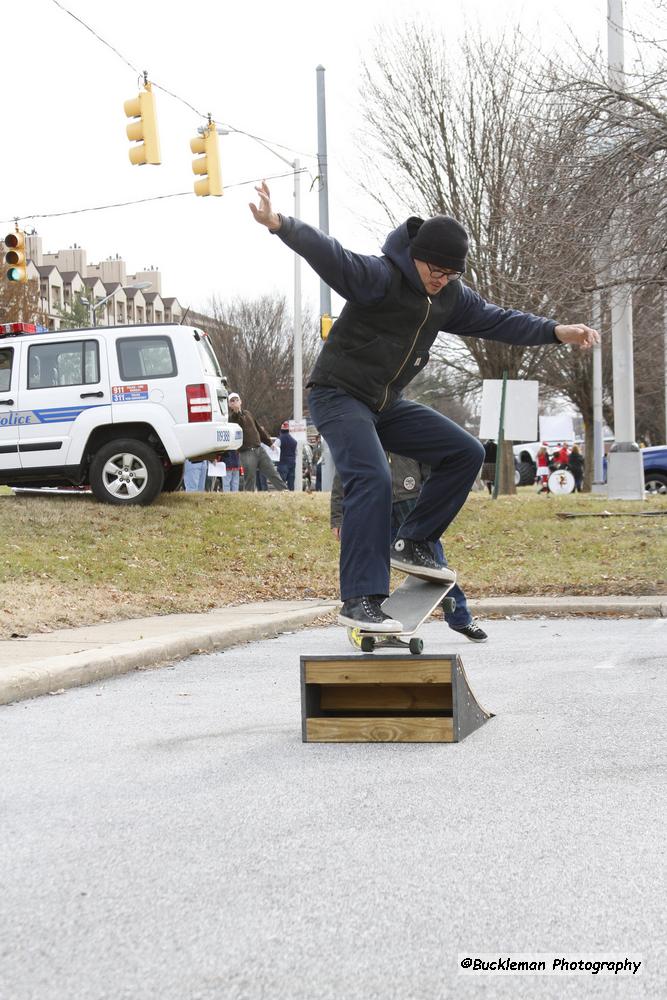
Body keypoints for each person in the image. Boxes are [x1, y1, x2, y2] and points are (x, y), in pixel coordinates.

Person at [250, 181, 600, 631]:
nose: (440, 280)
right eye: (435, 270)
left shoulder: (449, 296)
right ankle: (360, 599)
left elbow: (499, 319)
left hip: (384, 403)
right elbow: (333, 255)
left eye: (450, 275)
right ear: (415, 254)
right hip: (337, 394)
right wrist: (281, 224)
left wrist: (556, 331)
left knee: (466, 452)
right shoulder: (380, 277)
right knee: (372, 477)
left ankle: (413, 540)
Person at [331, 455, 488, 641]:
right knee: (373, 565)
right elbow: (343, 473)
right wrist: (337, 518)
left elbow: (429, 466)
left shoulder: (403, 427)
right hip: (375, 504)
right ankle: (368, 622)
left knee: (435, 566)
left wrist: (430, 504)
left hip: (412, 502)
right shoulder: (361, 433)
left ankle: (460, 619)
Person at [227, 393, 287, 492]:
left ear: (240, 401)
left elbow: (258, 429)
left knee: (272, 472)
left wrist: (269, 443)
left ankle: (285, 491)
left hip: (259, 449)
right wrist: (236, 412)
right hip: (246, 452)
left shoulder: (248, 413)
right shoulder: (231, 418)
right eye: (232, 401)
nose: (235, 402)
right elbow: (238, 420)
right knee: (250, 478)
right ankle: (249, 498)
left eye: (236, 400)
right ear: (230, 405)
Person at [277, 421, 298, 490]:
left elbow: (274, 449)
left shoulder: (279, 440)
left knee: (281, 483)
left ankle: (282, 496)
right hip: (292, 463)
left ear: (281, 430)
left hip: (282, 463)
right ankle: (291, 496)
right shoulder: (294, 441)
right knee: (291, 483)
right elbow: (296, 452)